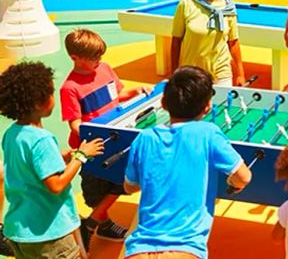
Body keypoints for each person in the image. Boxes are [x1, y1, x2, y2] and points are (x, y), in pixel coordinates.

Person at [123, 66, 252, 259]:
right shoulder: (208, 133)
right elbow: (244, 176)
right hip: (186, 249)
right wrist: (233, 184)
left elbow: (129, 187)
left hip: (139, 250)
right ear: (207, 107)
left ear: (164, 103)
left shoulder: (144, 138)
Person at [0, 62, 104, 259]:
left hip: (20, 231)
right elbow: (55, 185)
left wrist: (59, 159)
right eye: (50, 93)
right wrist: (81, 156)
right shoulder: (42, 139)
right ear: (39, 103)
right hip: (48, 235)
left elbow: (27, 170)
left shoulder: (12, 134)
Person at [60, 28, 148, 249]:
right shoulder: (70, 88)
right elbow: (75, 124)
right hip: (95, 147)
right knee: (94, 193)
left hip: (118, 137)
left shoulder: (105, 69)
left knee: (125, 180)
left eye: (100, 56)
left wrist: (137, 91)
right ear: (74, 58)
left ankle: (91, 223)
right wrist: (95, 137)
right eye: (93, 58)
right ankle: (103, 223)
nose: (99, 61)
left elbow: (117, 97)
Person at [171, 0, 245, 86]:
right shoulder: (186, 4)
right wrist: (174, 74)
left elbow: (233, 43)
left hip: (221, 73)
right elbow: (176, 42)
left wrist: (240, 74)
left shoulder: (228, 7)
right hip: (192, 74)